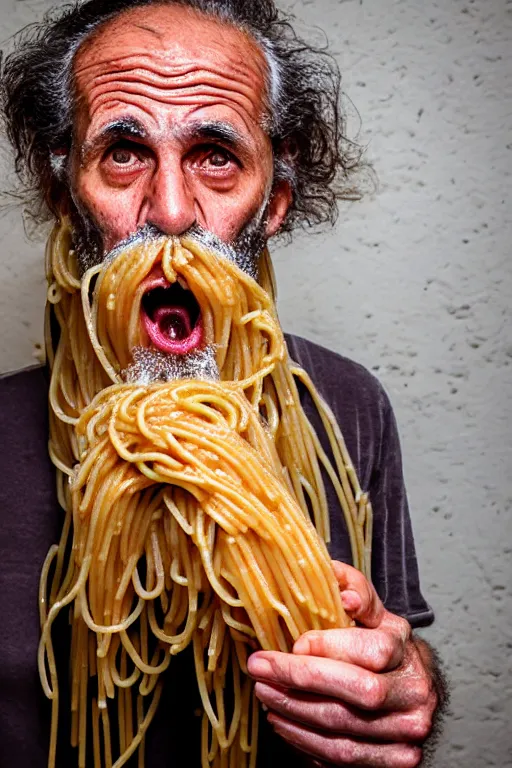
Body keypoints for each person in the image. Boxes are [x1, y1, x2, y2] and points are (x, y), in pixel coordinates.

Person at [0, 1, 447, 766]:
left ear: (272, 201)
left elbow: (398, 655)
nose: (172, 213)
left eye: (215, 154)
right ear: (62, 194)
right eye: (123, 153)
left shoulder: (346, 406)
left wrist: (409, 690)